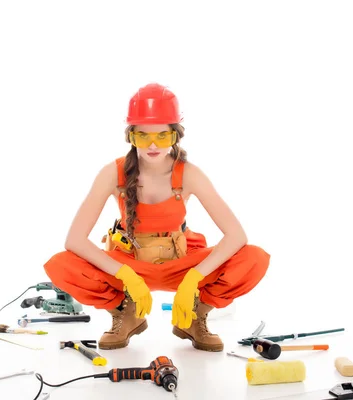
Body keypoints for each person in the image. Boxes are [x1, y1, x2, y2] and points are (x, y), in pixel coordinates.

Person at [43, 83, 270, 352]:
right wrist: (125, 274)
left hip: (181, 263)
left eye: (162, 136)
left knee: (254, 258)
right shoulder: (111, 174)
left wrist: (194, 279)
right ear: (131, 136)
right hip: (131, 263)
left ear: (176, 135)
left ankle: (194, 316)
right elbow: (75, 240)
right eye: (143, 136)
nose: (152, 145)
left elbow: (237, 236)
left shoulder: (189, 174)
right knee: (61, 265)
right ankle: (125, 313)